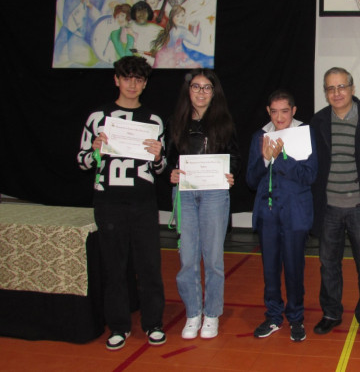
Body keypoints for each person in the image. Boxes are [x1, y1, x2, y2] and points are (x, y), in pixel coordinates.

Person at [76, 56, 166, 351]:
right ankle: (118, 325)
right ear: (116, 80)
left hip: (143, 201)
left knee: (149, 265)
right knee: (114, 267)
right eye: (127, 78)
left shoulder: (153, 120)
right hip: (109, 201)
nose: (132, 84)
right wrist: (96, 150)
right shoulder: (98, 117)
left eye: (138, 79)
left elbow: (160, 168)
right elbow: (82, 161)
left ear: (145, 83)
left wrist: (158, 156)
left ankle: (153, 323)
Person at [166, 69, 242, 340]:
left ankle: (211, 314)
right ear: (188, 91)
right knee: (187, 258)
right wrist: (171, 173)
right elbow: (169, 159)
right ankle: (192, 312)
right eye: (196, 86)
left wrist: (230, 173)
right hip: (185, 193)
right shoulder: (176, 121)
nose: (201, 92)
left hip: (214, 194)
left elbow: (234, 157)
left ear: (214, 92)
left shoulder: (224, 122)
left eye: (207, 87)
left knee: (213, 259)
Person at [309, 67, 360, 340]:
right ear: (325, 92)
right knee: (328, 265)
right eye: (331, 88)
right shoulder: (317, 122)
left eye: (341, 86)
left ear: (352, 88)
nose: (336, 93)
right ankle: (331, 313)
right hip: (328, 206)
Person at [246, 90, 318, 342]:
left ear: (293, 111)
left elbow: (310, 175)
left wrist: (281, 159)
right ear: (268, 111)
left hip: (295, 213)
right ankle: (274, 316)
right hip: (267, 214)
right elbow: (251, 180)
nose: (279, 117)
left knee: (295, 268)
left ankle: (296, 318)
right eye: (274, 111)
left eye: (284, 111)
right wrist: (265, 160)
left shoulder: (304, 134)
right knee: (270, 269)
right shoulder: (259, 136)